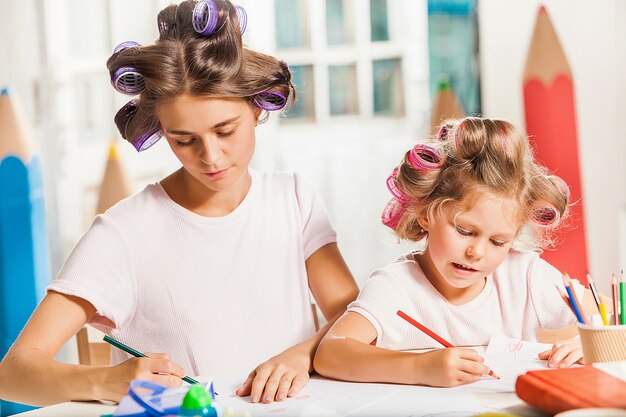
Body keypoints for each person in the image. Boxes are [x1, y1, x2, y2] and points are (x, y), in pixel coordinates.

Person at [0, 0, 358, 406]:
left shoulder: (292, 199)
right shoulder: (124, 233)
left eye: (226, 131)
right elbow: (12, 374)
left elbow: (357, 317)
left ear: (257, 109)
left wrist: (300, 355)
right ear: (162, 131)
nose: (211, 157)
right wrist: (105, 381)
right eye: (184, 140)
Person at [314, 117, 592, 388]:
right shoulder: (395, 286)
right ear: (425, 214)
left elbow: (613, 317)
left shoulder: (524, 275)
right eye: (464, 231)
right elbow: (331, 354)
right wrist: (419, 367)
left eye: (498, 242)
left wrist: (592, 342)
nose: (477, 252)